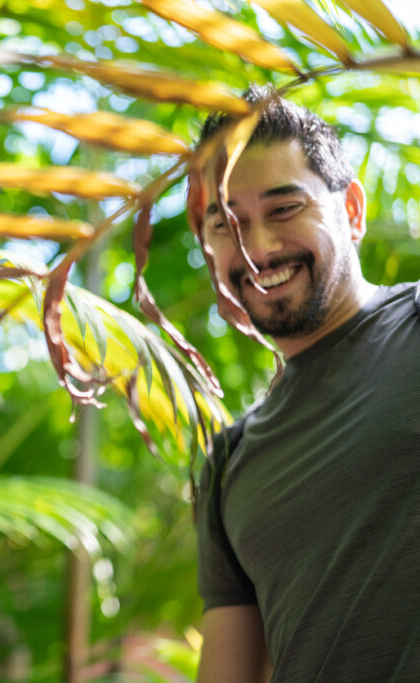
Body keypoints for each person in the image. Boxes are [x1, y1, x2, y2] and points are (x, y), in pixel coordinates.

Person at [188, 86, 420, 682]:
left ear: (351, 211)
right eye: (227, 223)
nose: (257, 248)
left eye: (283, 209)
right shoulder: (226, 466)